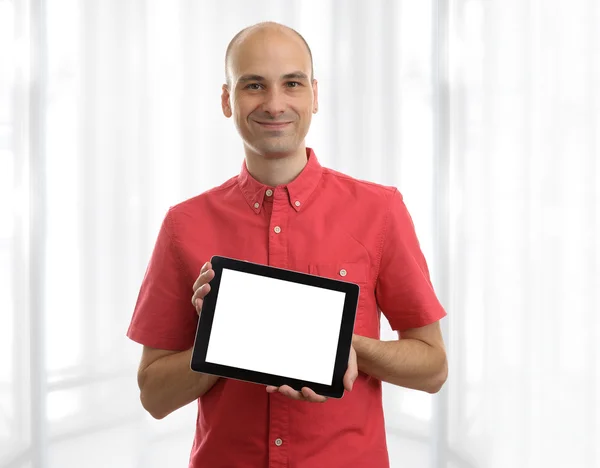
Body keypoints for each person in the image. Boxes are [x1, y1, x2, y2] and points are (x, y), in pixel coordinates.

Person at [127, 21, 448, 468]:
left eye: (291, 84)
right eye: (253, 85)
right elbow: (153, 397)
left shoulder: (381, 211)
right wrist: (222, 338)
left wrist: (342, 345)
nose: (275, 104)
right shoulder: (184, 224)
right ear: (227, 100)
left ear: (314, 95)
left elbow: (433, 368)